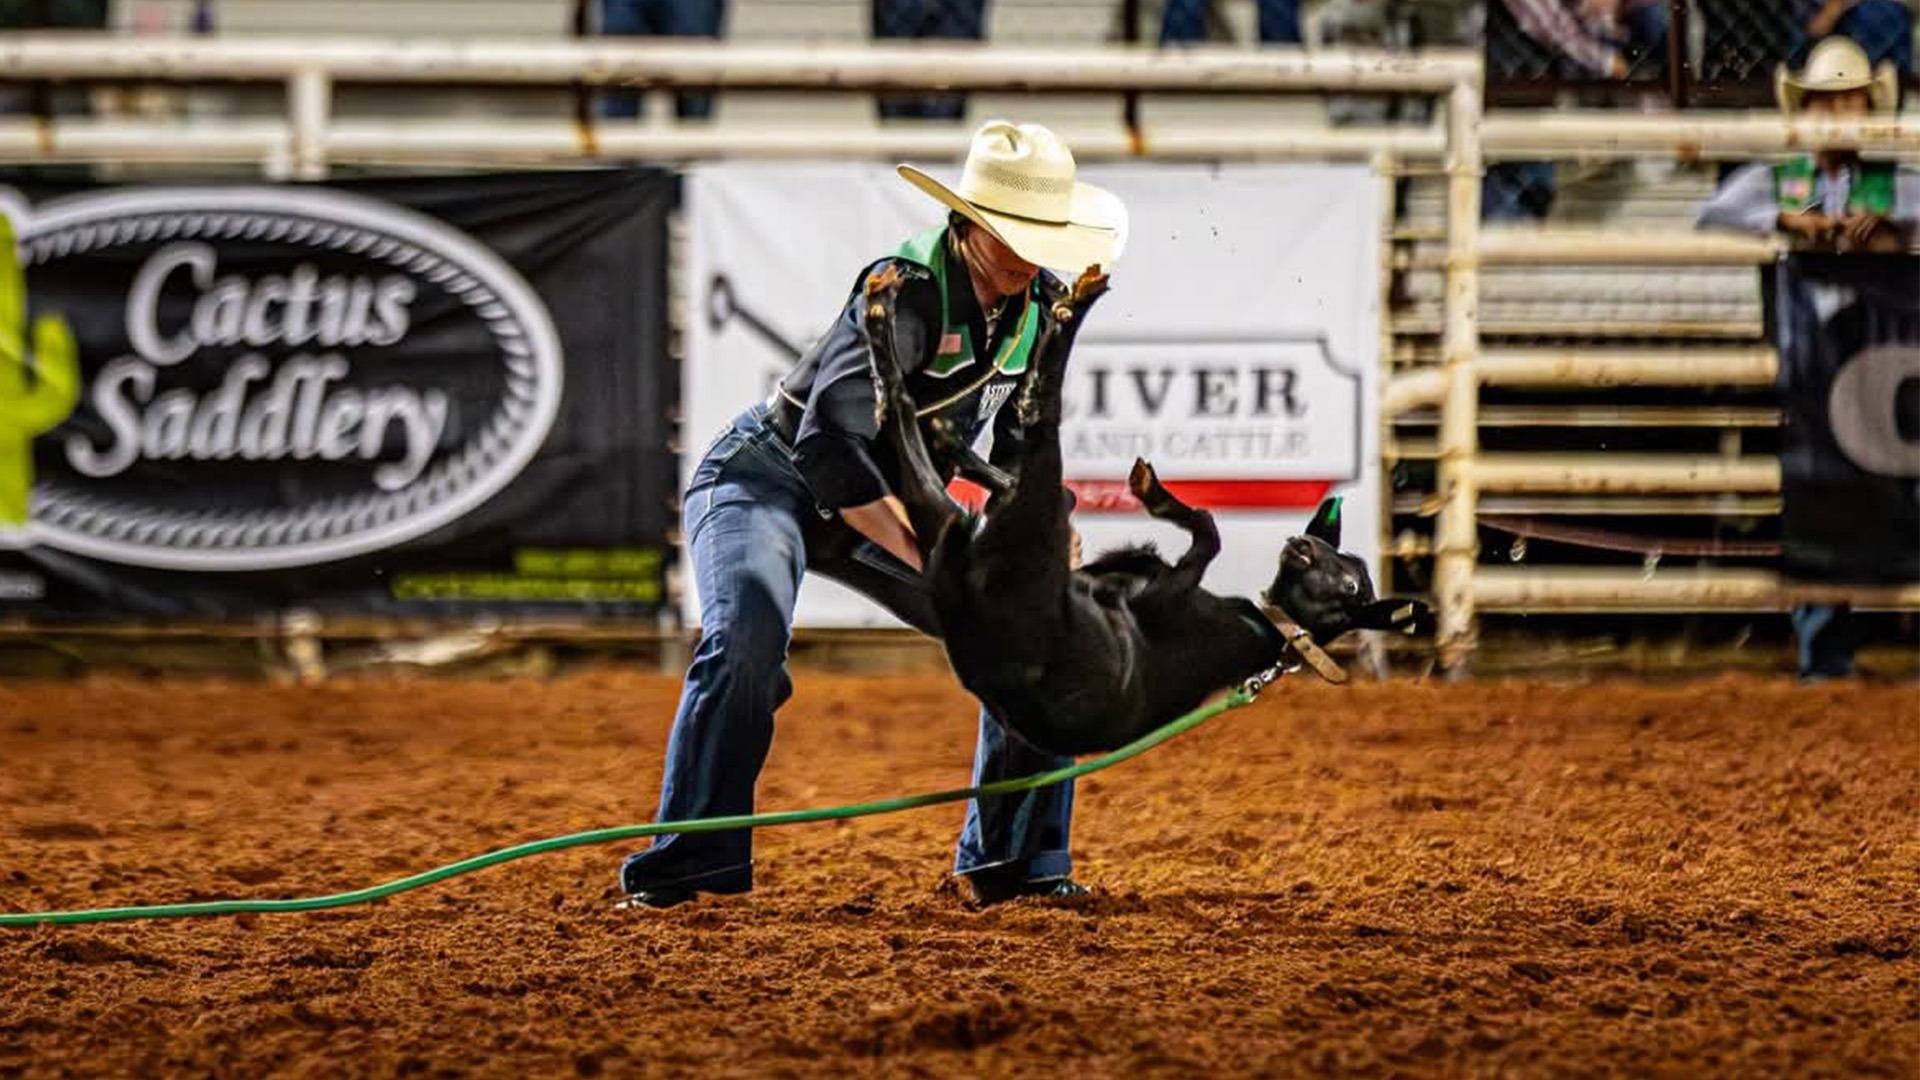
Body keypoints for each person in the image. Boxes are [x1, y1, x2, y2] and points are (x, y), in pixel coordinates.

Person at [617, 119, 1127, 909]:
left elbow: (1024, 450)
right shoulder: (907, 290)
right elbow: (828, 448)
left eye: (1043, 235)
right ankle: (688, 870)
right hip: (767, 478)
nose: (1030, 254)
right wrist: (939, 559)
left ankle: (1016, 864)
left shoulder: (1040, 311)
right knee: (745, 640)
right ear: (969, 223)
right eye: (1014, 233)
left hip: (883, 493)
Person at [1696, 36, 1920, 680]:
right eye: (1827, 101)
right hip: (1820, 370)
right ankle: (1824, 656)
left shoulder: (1898, 185)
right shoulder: (1777, 183)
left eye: (1849, 100)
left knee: (1863, 489)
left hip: (1885, 365)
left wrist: (1896, 236)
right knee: (1824, 494)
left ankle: (1833, 653)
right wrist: (1787, 222)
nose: (1839, 113)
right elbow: (1711, 219)